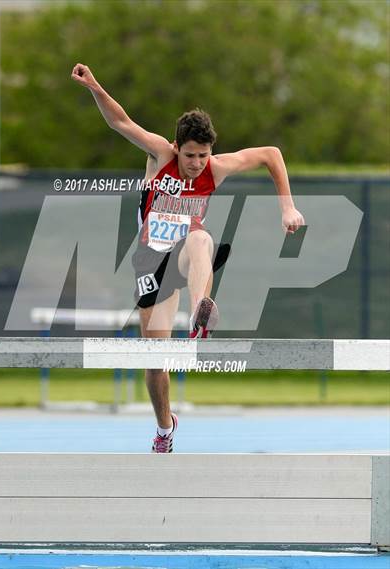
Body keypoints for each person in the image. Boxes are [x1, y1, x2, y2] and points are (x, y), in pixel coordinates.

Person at [71, 63, 305, 453]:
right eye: (191, 155)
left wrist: (287, 208)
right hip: (151, 262)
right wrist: (94, 86)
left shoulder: (215, 168)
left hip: (186, 257)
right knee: (155, 362)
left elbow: (272, 154)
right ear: (178, 148)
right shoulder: (160, 153)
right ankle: (165, 428)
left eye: (203, 155)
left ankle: (200, 312)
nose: (197, 163)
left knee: (200, 240)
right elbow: (120, 122)